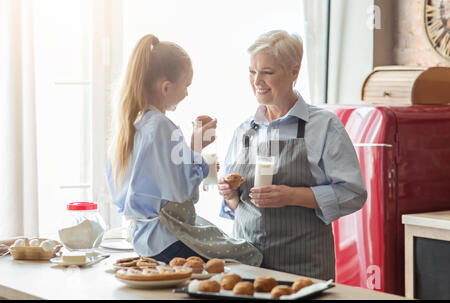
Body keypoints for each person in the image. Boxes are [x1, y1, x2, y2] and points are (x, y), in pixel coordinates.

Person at [218, 30, 367, 280]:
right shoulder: (245, 130)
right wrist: (230, 195)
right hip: (247, 267)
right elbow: (239, 207)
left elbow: (353, 193)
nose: (257, 81)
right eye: (252, 72)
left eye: (267, 72)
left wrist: (292, 195)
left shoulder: (323, 125)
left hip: (303, 269)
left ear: (294, 72)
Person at [106, 34, 262, 266]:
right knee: (251, 256)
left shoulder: (133, 124)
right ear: (166, 87)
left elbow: (161, 184)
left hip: (143, 238)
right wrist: (196, 149)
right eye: (186, 85)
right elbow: (183, 193)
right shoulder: (161, 126)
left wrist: (191, 150)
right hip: (166, 238)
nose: (188, 93)